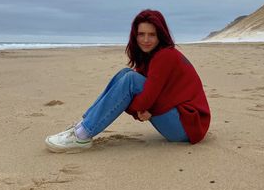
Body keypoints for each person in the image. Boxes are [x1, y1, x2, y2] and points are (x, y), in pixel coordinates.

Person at [44, 9, 211, 153]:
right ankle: (82, 126)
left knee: (130, 79)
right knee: (125, 73)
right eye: (141, 34)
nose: (146, 40)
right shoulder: (150, 57)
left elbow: (144, 101)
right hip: (178, 117)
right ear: (135, 35)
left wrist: (141, 109)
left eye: (152, 34)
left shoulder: (165, 55)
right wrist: (141, 109)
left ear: (161, 35)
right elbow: (145, 100)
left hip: (187, 127)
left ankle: (82, 135)